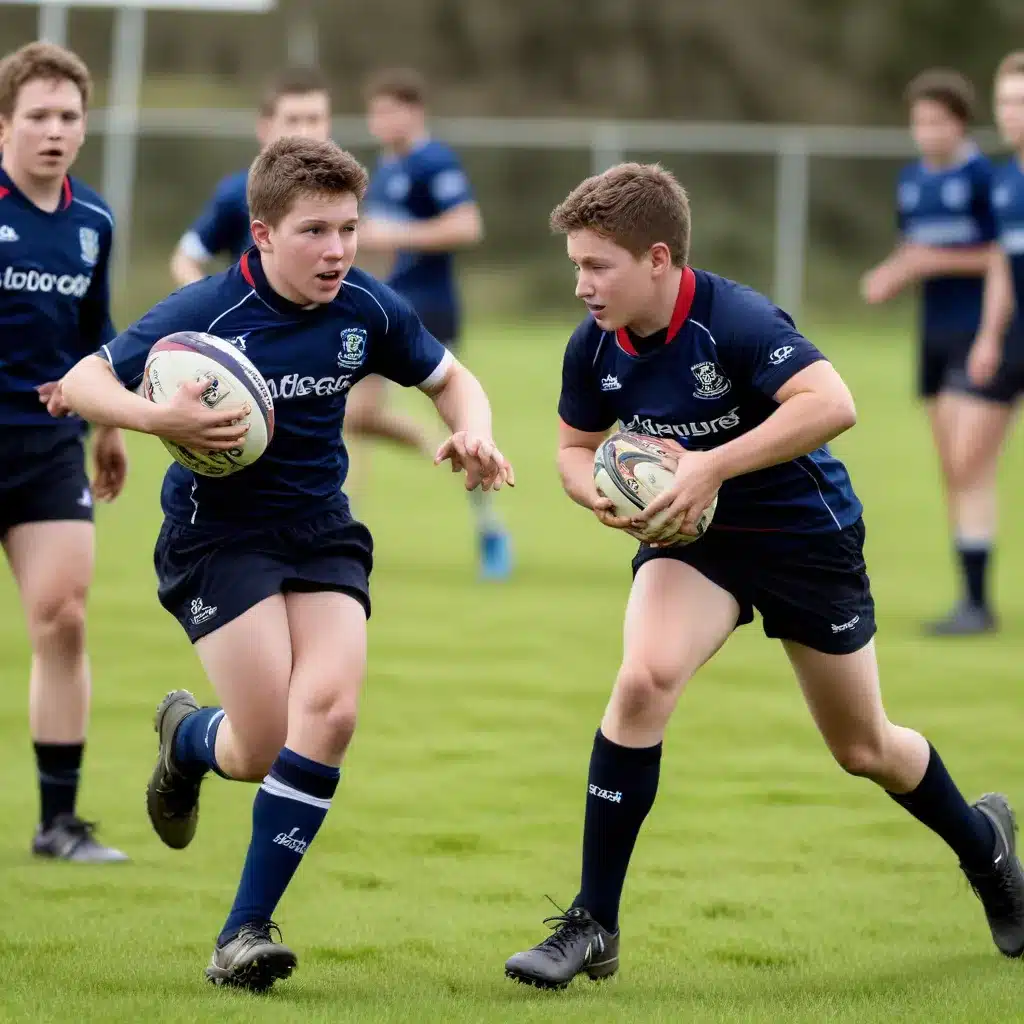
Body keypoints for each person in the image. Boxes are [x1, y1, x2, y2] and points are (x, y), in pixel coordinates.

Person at [502, 163, 1023, 990]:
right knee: (641, 683)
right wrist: (596, 495)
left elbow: (832, 403)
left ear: (658, 259)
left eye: (597, 266)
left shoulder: (734, 320)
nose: (581, 285)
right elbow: (573, 448)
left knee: (863, 748)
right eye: (576, 265)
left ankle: (984, 847)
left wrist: (709, 465)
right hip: (693, 543)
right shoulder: (594, 345)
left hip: (803, 541)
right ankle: (594, 923)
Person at [50, 136, 512, 991]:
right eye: (315, 232)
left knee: (329, 714)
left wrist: (473, 429)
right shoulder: (207, 312)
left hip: (321, 529)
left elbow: (452, 378)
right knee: (260, 746)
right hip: (218, 539)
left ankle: (242, 933)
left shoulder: (365, 307)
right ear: (261, 234)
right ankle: (189, 738)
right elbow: (82, 382)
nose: (338, 250)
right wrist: (162, 421)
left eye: (349, 229)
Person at [170, 65, 432, 469]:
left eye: (315, 119)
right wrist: (210, 315)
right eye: (293, 120)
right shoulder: (236, 193)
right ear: (265, 127)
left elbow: (371, 263)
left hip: (324, 343)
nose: (306, 131)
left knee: (333, 441)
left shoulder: (342, 194)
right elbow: (186, 257)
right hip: (251, 351)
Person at [0, 41, 128, 863]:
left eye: (69, 117)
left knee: (64, 618)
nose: (54, 131)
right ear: (4, 125)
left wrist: (109, 425)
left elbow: (95, 333)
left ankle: (58, 823)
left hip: (49, 446)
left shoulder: (94, 222)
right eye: (38, 115)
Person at [861, 69, 1002, 635]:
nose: (927, 132)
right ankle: (970, 597)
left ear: (961, 124)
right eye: (919, 122)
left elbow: (1002, 255)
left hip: (978, 332)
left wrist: (934, 262)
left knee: (969, 463)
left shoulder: (984, 178)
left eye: (938, 122)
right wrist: (890, 274)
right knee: (952, 468)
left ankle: (977, 602)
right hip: (933, 335)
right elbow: (911, 248)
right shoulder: (911, 181)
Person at [359, 68, 512, 580]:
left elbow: (467, 225)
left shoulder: (434, 162)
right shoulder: (384, 170)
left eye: (389, 111)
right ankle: (344, 526)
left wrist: (396, 234)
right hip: (385, 306)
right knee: (354, 415)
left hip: (430, 307)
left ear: (414, 112)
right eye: (374, 112)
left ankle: (491, 530)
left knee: (456, 421)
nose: (380, 122)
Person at [960, 52, 1024, 538]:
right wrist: (988, 336)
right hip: (1012, 341)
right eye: (1004, 102)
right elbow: (1001, 263)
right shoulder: (1004, 182)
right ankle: (974, 585)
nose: (1010, 113)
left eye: (1020, 103)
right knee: (968, 460)